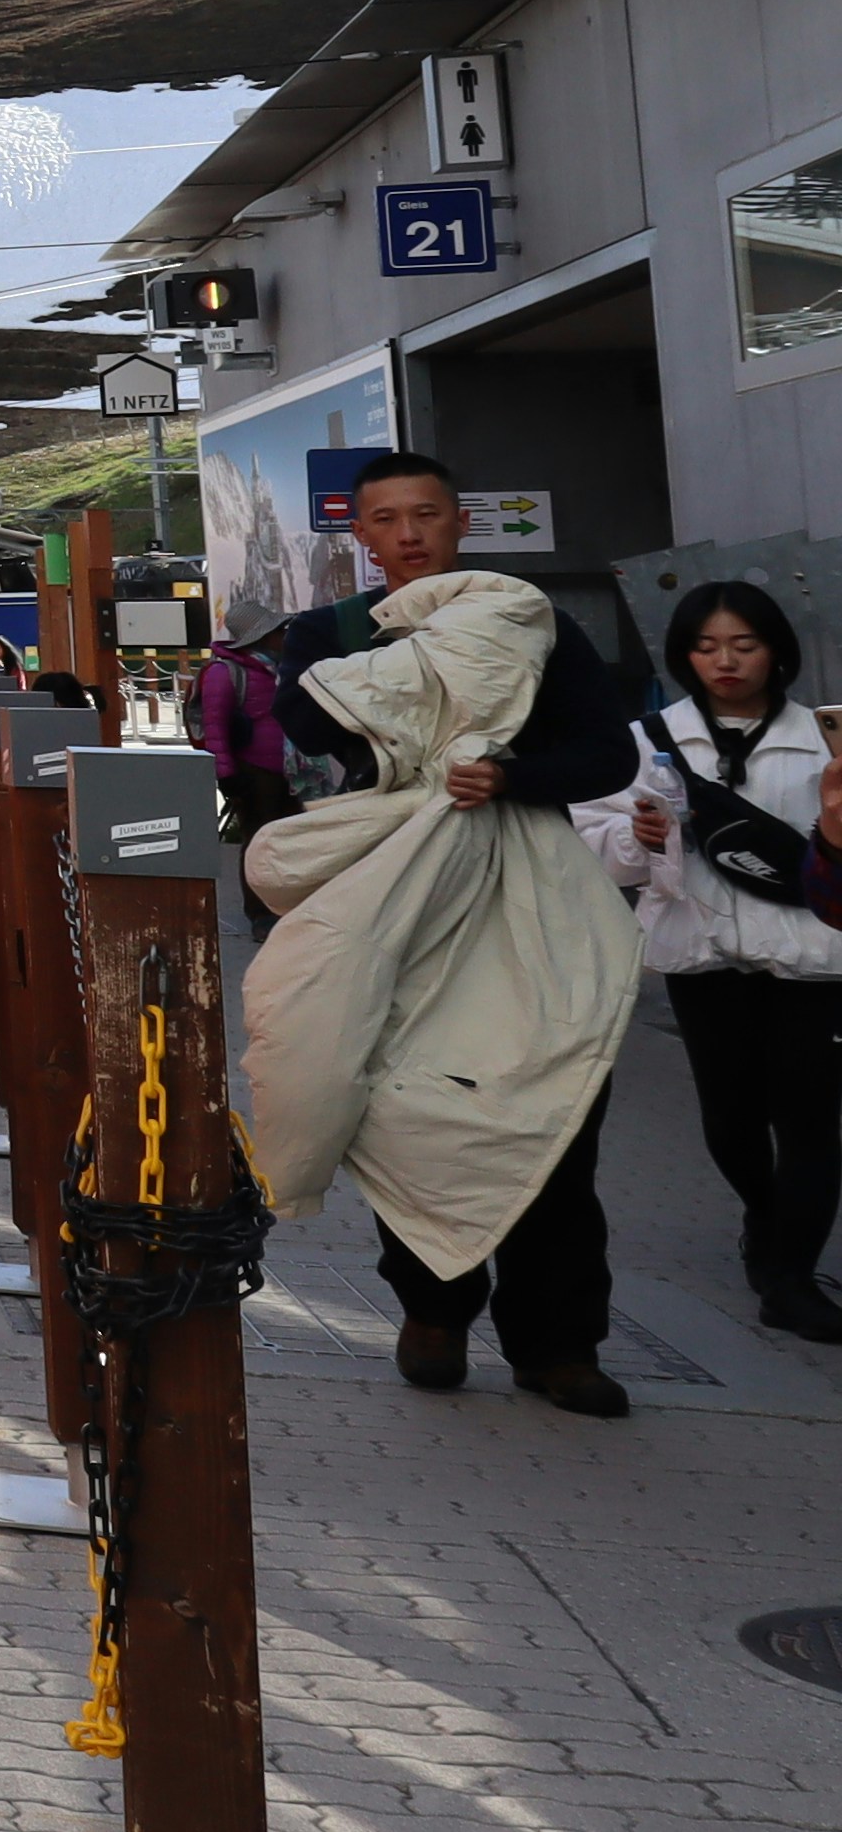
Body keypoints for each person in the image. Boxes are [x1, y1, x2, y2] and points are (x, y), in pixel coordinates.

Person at [261, 451, 644, 1410]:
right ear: (362, 536)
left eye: (426, 515)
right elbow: (312, 731)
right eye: (387, 520)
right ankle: (433, 1308)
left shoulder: (535, 624)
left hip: (530, 898)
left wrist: (509, 774)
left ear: (459, 521)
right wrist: (427, 753)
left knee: (554, 1099)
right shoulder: (328, 633)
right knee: (410, 1103)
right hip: (403, 892)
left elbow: (604, 752)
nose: (410, 535)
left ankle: (560, 1344)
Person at [597, 581, 842, 1344]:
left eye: (745, 645)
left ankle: (792, 1278)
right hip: (704, 958)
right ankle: (765, 1221)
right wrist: (637, 838)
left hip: (814, 959)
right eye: (706, 647)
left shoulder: (826, 735)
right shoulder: (647, 739)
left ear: (777, 651)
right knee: (730, 1121)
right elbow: (596, 851)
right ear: (682, 655)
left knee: (809, 1122)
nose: (725, 661)